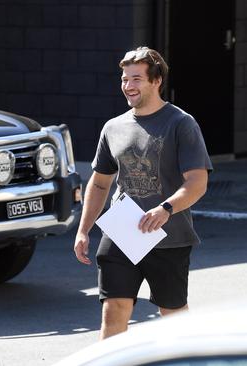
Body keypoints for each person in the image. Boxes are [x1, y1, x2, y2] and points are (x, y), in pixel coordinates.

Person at [73, 46, 212, 339]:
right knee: (114, 310)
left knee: (172, 315)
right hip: (122, 232)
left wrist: (166, 209)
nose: (128, 86)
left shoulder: (181, 124)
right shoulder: (114, 127)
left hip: (169, 235)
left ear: (156, 80)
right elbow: (100, 183)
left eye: (136, 79)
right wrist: (84, 229)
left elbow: (197, 182)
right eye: (124, 79)